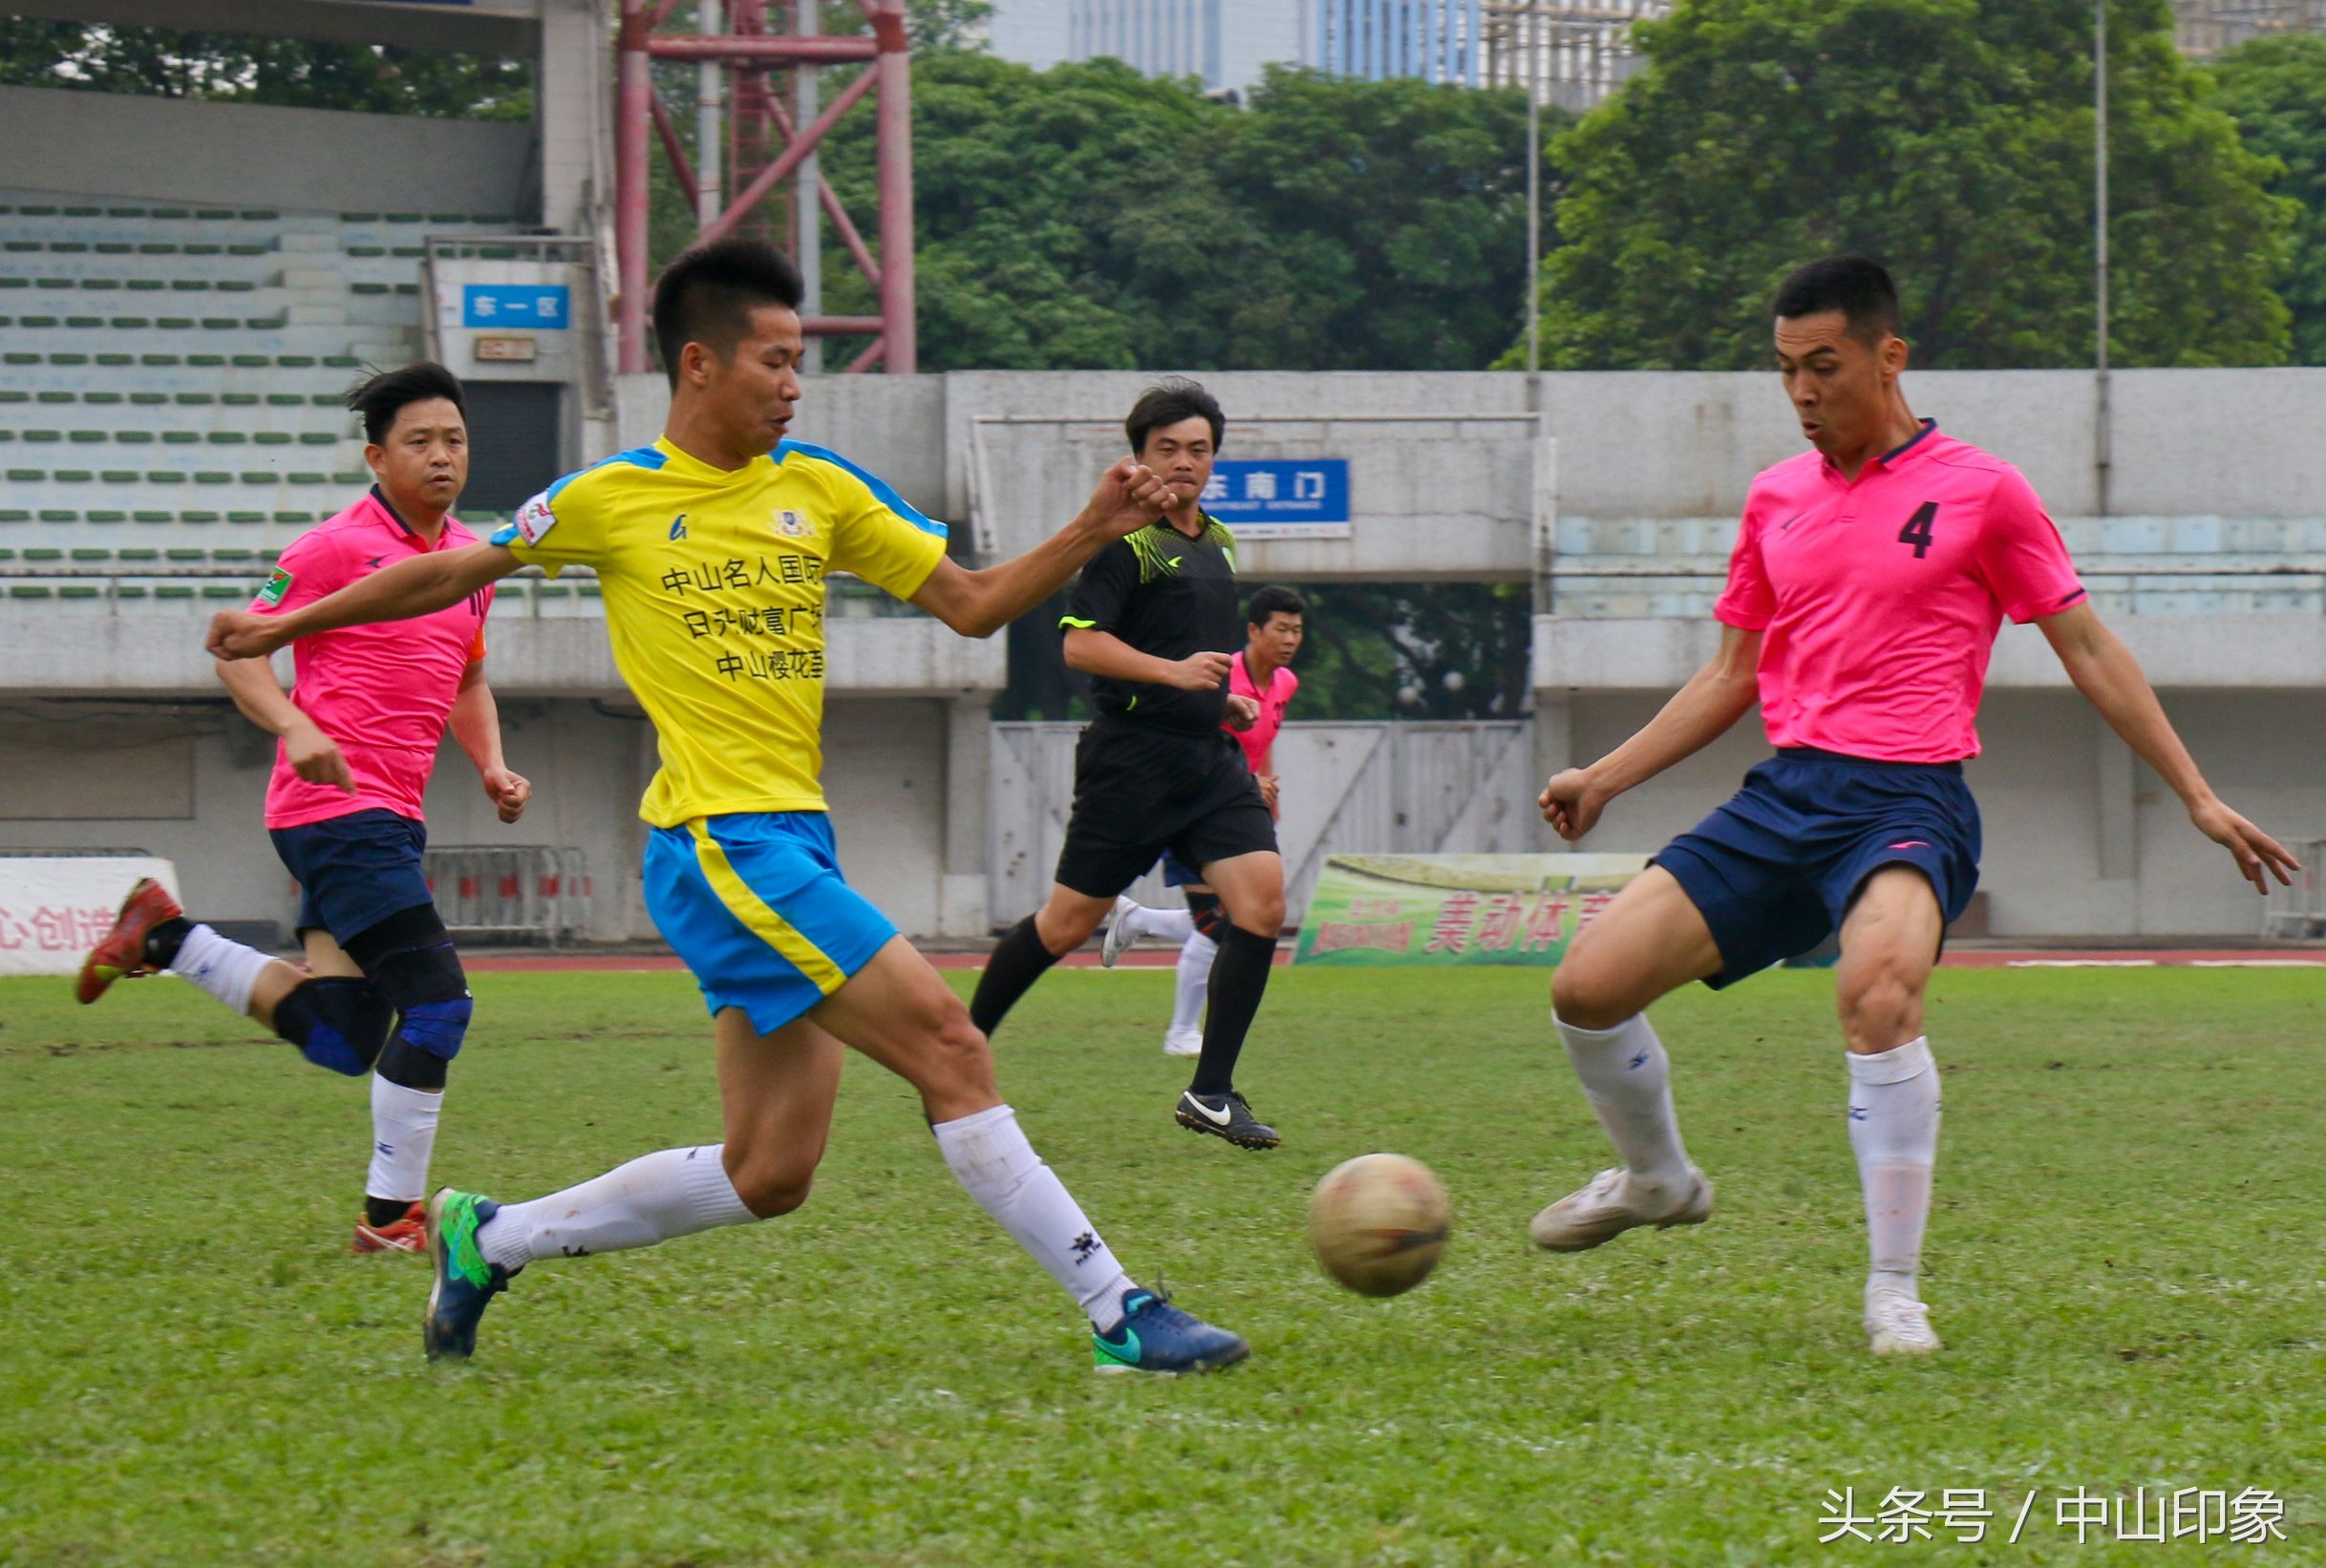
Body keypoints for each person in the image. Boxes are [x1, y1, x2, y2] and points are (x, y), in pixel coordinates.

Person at [208, 240, 1246, 1375]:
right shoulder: (613, 497)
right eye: (775, 360)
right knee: (951, 1044)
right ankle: (1118, 1309)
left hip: (791, 835)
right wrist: (284, 626)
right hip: (718, 841)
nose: (794, 384)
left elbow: (971, 603)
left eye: (799, 362)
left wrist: (1090, 528)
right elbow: (453, 572)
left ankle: (487, 1236)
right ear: (698, 363)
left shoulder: (822, 487)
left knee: (770, 1173)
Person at [1531, 256, 2296, 1357]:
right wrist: (1602, 776)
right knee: (1584, 987)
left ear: (1889, 356)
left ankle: (1893, 1290)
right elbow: (1729, 675)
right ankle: (1656, 1180)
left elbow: (2083, 644)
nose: (1800, 392)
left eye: (1822, 367)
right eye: (1784, 370)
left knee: (1876, 993)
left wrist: (2196, 794)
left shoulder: (1983, 490)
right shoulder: (1774, 497)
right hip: (1784, 794)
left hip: (1908, 797)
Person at [78, 361, 529, 1254]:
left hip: (389, 816)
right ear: (376, 456)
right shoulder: (331, 548)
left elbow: (468, 676)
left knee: (342, 1037)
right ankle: (389, 1221)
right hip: (333, 812)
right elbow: (241, 651)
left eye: (456, 440)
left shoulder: (471, 563)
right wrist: (293, 724)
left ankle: (166, 937)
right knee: (438, 1008)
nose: (443, 457)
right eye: (420, 442)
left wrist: (492, 765)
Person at [967, 382, 1289, 1151]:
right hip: (1131, 761)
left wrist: (1225, 703)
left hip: (1208, 762)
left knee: (1263, 907)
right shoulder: (1124, 542)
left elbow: (1199, 657)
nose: (1183, 462)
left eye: (1198, 449)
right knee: (1066, 924)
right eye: (1167, 448)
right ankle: (955, 1046)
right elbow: (1080, 645)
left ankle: (1210, 1093)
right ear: (1139, 456)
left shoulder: (1220, 542)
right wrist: (1174, 675)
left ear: (1215, 457)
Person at [1102, 585, 1305, 1058]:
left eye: (1297, 630)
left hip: (1237, 810)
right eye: (1281, 628)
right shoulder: (1219, 674)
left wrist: (1263, 790)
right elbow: (1193, 743)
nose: (1290, 639)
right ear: (1254, 630)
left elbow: (1262, 737)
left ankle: (1139, 920)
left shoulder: (1285, 683)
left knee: (1235, 920)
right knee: (1221, 925)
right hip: (1195, 806)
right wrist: (1243, 784)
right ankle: (1179, 1033)